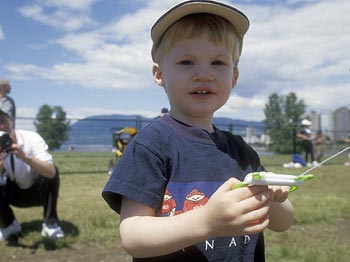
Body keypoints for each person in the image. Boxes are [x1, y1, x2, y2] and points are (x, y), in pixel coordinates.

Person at [103, 1, 293, 261]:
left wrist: (273, 196)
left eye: (218, 62)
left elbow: (282, 223)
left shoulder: (240, 150)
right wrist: (206, 222)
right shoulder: (153, 144)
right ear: (160, 74)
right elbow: (133, 236)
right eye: (186, 61)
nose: (204, 74)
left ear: (234, 77)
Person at [0, 109, 64, 241]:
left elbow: (51, 172)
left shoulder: (32, 138)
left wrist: (25, 156)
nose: (1, 127)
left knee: (50, 170)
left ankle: (50, 223)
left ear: (10, 121)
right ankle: (9, 224)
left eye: (2, 121)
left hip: (38, 192)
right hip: (14, 194)